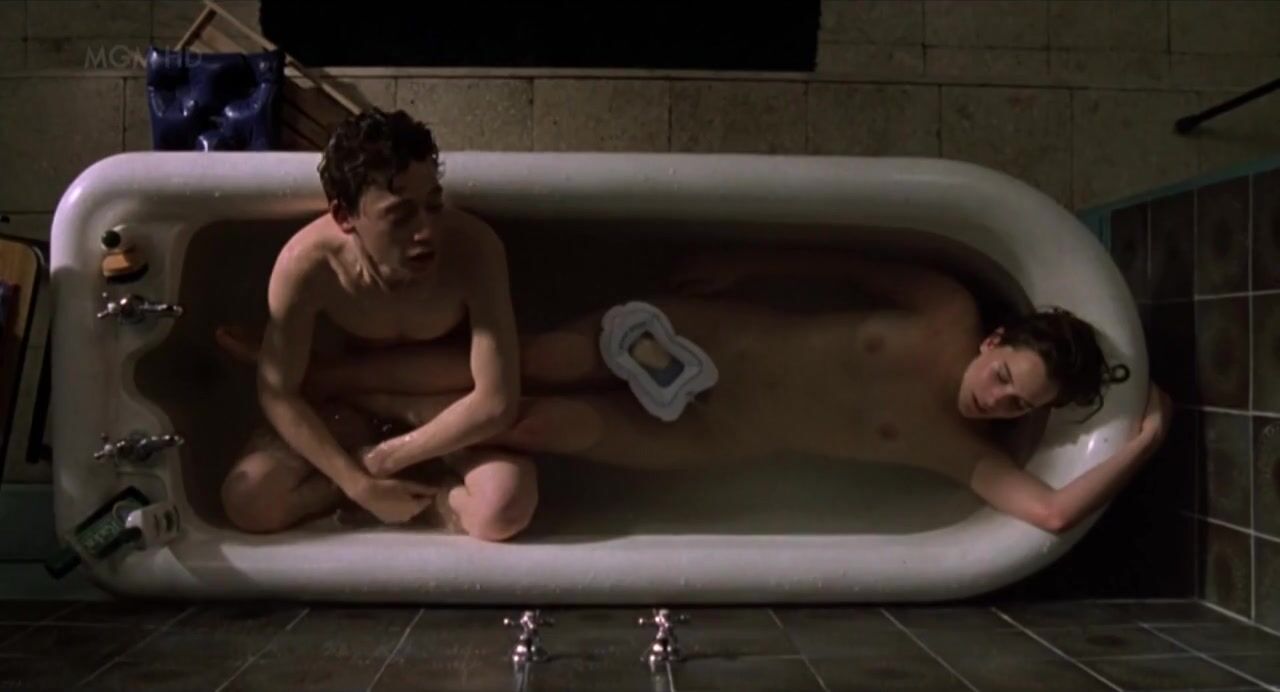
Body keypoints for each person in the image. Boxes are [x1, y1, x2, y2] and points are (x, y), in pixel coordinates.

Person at [235, 245, 1172, 537]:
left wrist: (1142, 445)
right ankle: (318, 380)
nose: (995, 402)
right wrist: (745, 264)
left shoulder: (955, 449)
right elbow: (848, 263)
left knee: (539, 421)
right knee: (522, 365)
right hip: (695, 335)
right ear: (997, 341)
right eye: (1005, 377)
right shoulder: (945, 309)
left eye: (1016, 407)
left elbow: (1049, 513)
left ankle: (374, 439)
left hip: (709, 439)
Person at [217, 108, 537, 541]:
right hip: (346, 414)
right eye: (401, 215)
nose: (427, 231)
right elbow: (278, 393)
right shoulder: (307, 267)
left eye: (434, 205)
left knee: (505, 506)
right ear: (344, 216)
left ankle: (425, 500)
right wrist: (356, 483)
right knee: (248, 501)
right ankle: (370, 498)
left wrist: (384, 460)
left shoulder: (474, 250)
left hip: (443, 412)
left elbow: (496, 401)